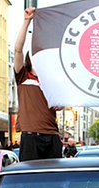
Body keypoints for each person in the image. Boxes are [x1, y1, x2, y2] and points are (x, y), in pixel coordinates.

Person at [14, 7, 62, 161]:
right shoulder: (23, 76)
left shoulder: (51, 80)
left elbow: (61, 102)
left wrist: (61, 105)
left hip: (52, 136)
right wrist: (27, 21)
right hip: (31, 136)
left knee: (54, 181)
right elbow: (17, 49)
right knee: (29, 180)